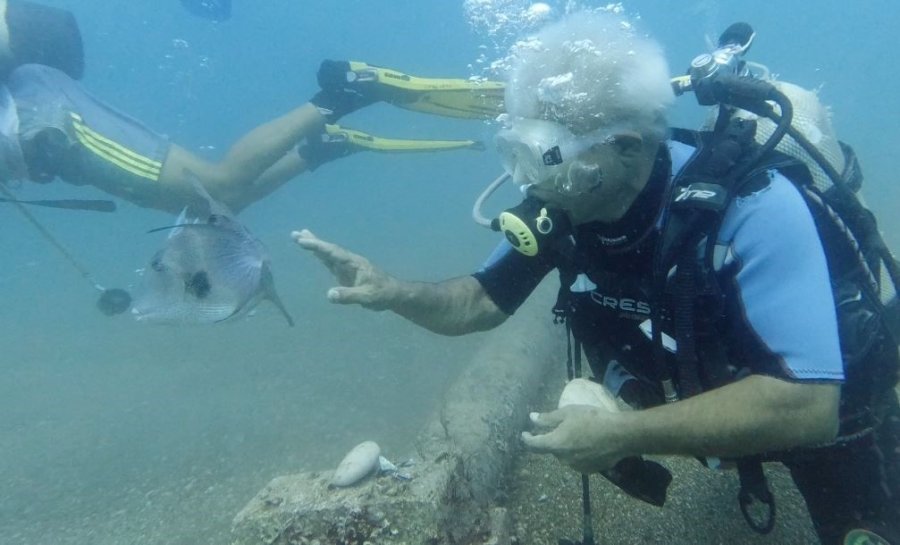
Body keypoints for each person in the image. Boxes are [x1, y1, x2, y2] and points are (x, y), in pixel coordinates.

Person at [294, 11, 900, 545]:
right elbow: (478, 302)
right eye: (516, 151)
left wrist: (621, 434)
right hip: (705, 383)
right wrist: (394, 293)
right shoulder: (568, 208)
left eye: (542, 153)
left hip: (831, 412)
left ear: (627, 149)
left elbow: (809, 405)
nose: (528, 179)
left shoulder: (753, 206)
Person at [0, 1, 498, 215]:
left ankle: (346, 91)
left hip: (42, 120)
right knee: (223, 203)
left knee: (216, 185)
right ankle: (318, 149)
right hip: (39, 123)